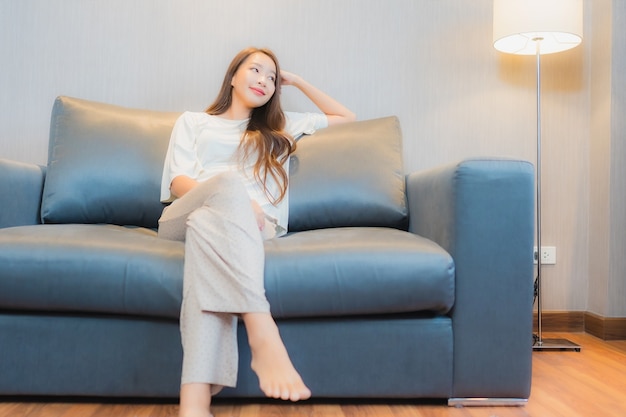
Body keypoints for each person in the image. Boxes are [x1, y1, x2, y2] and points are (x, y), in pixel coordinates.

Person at [157, 47, 356, 417]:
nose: (264, 80)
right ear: (233, 76)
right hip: (183, 215)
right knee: (218, 197)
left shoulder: (280, 128)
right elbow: (179, 181)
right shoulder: (194, 122)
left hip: (249, 229)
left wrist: (295, 81)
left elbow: (347, 117)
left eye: (272, 76)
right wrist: (231, 195)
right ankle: (262, 329)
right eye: (255, 70)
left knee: (207, 229)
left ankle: (194, 406)